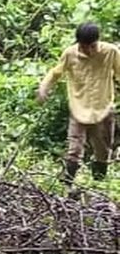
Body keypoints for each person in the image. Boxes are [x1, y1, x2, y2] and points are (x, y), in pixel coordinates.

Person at [37, 21, 120, 183]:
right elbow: (55, 73)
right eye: (84, 47)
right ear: (79, 43)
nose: (89, 51)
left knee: (103, 151)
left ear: (98, 41)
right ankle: (66, 183)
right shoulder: (70, 54)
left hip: (103, 108)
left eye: (92, 46)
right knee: (74, 149)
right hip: (79, 108)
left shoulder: (110, 52)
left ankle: (98, 184)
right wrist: (43, 88)